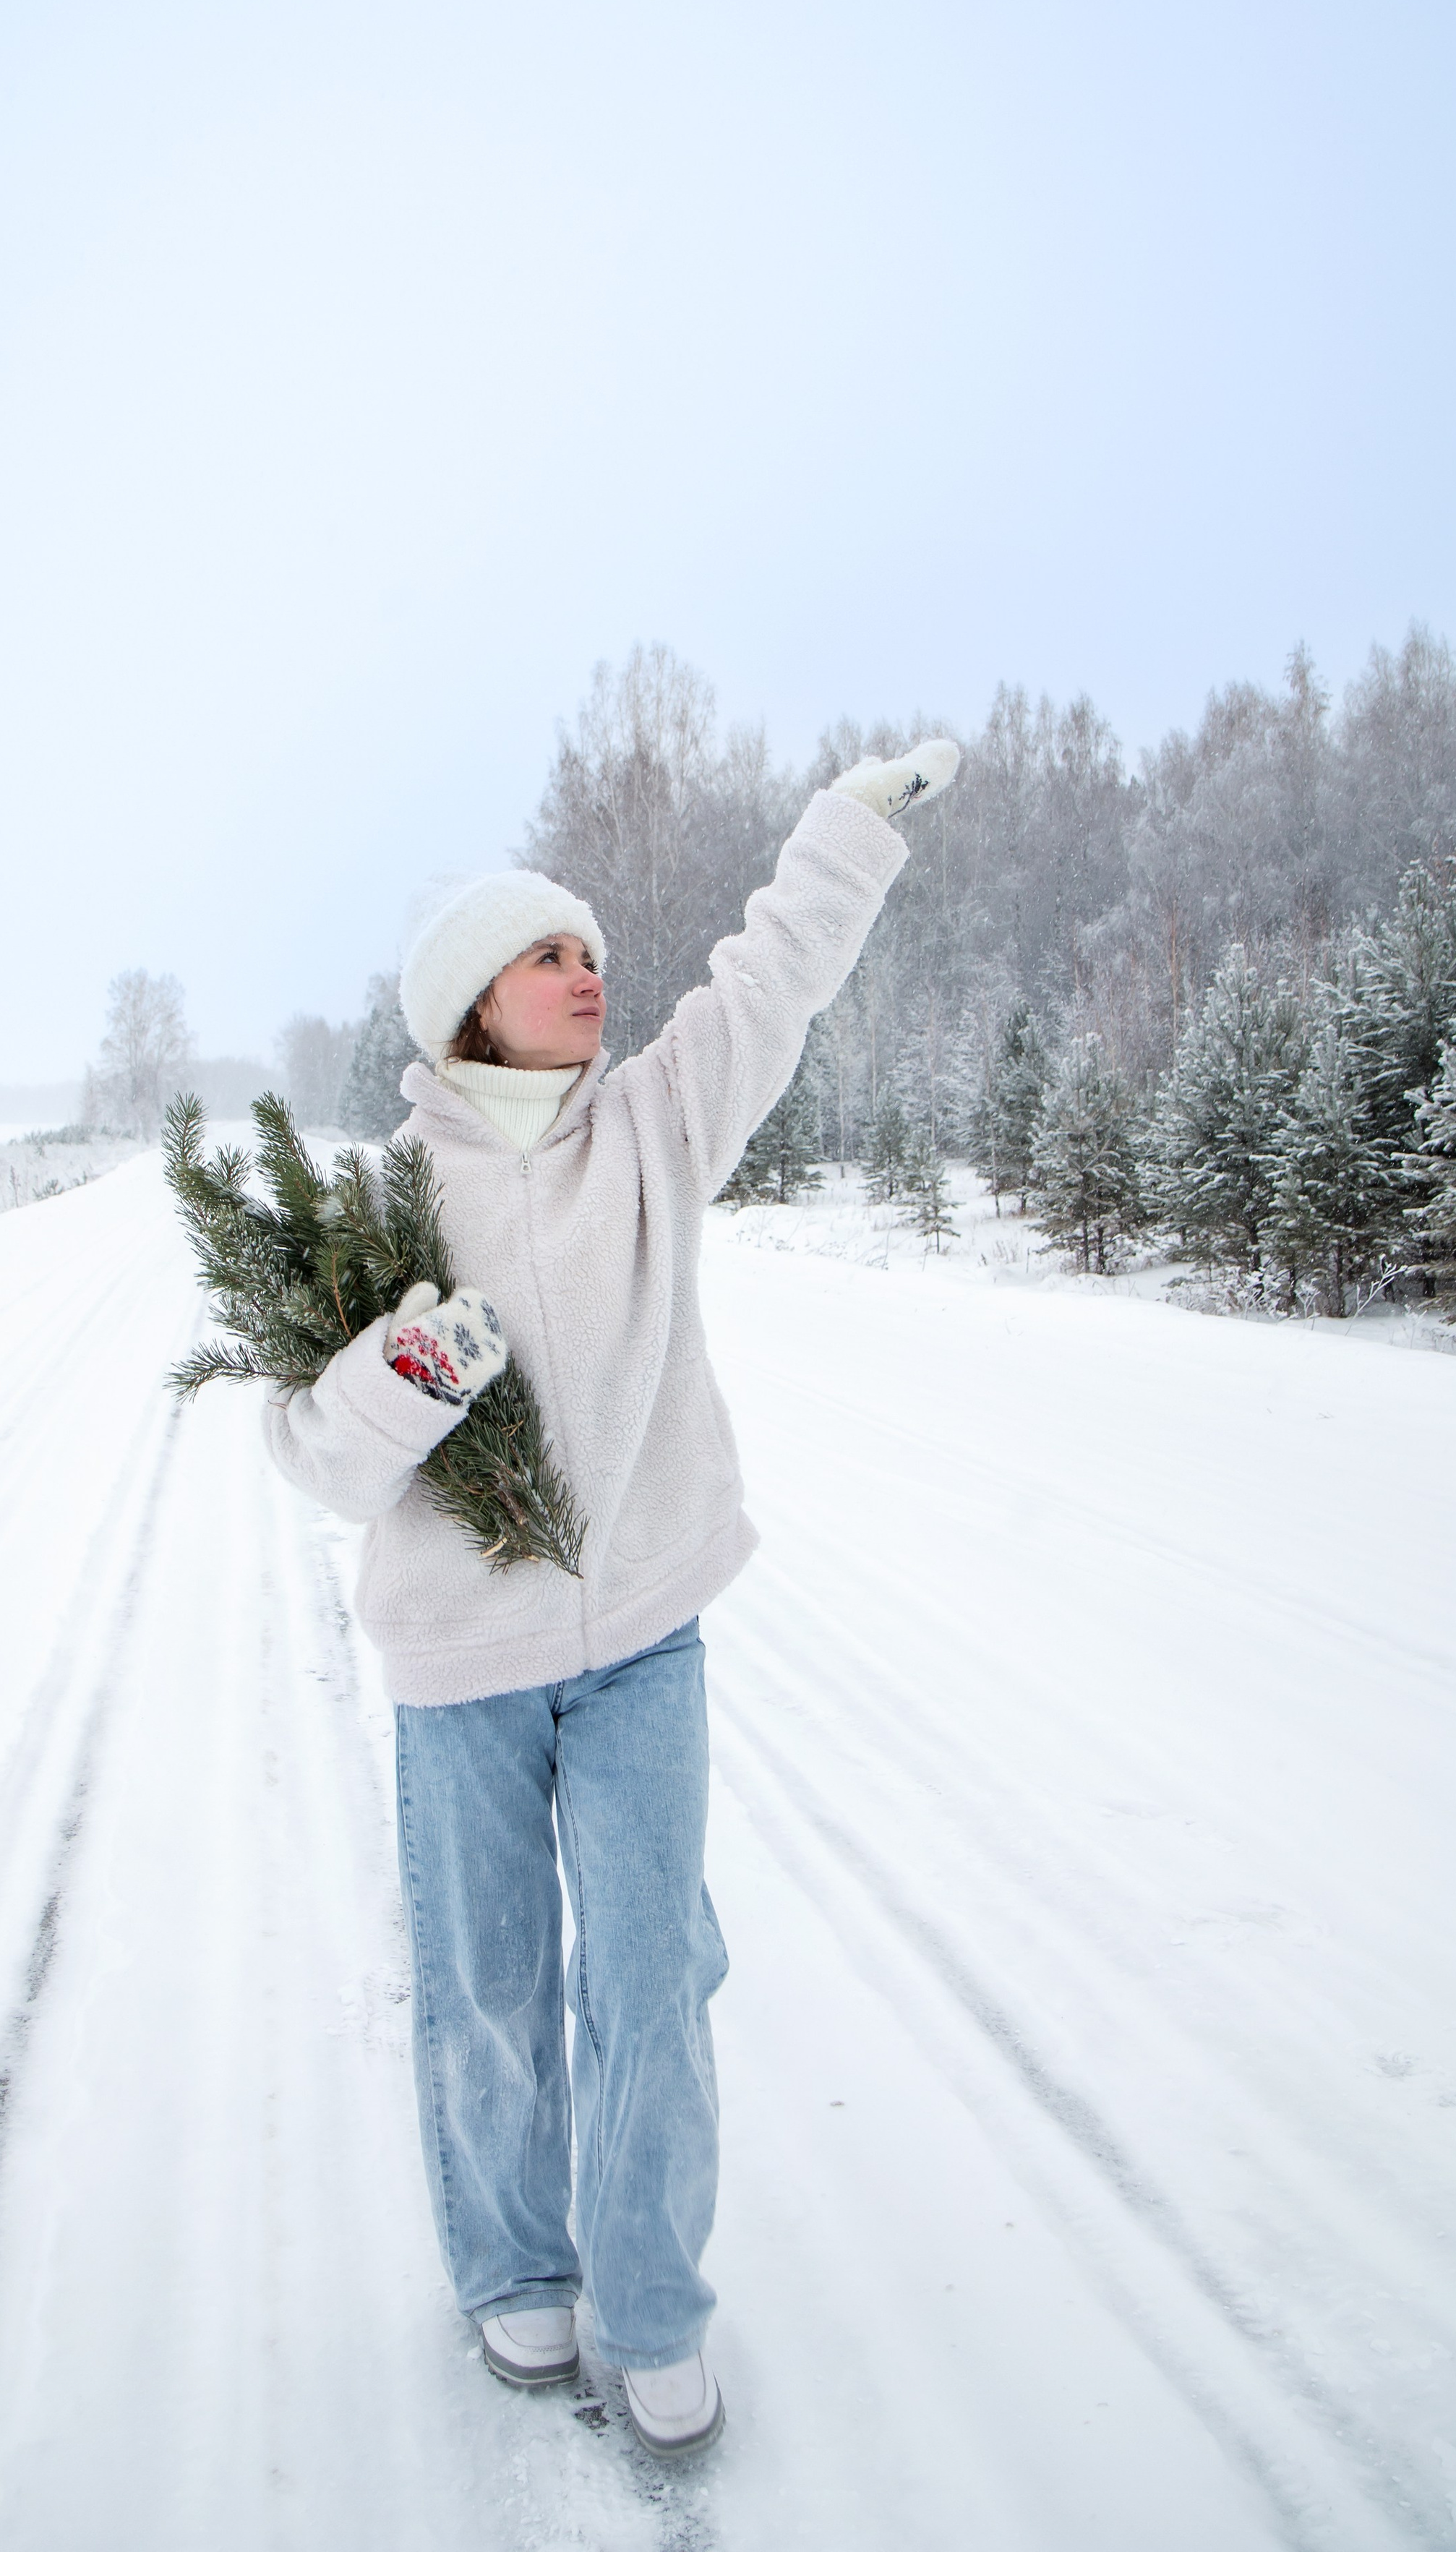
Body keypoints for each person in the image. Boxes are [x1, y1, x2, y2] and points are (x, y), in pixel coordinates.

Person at [262, 737, 961, 2458]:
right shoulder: (381, 1203)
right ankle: (514, 2266)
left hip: (644, 1638)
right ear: (464, 1008)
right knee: (490, 1986)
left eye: (588, 951)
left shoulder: (650, 1126)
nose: (588, 975)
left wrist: (846, 831)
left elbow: (771, 978)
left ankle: (649, 2305)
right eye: (546, 957)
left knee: (651, 1978)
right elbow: (313, 1458)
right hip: (458, 1665)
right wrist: (402, 1374)